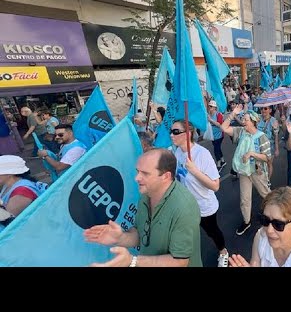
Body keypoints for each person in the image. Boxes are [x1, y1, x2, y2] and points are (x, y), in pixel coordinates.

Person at [84, 148, 203, 267]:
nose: (137, 178)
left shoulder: (184, 208)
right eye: (138, 171)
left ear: (166, 176)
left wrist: (133, 261)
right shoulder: (147, 194)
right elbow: (141, 233)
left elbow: (180, 261)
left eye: (145, 173)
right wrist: (120, 238)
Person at [171, 120, 229, 267]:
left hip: (204, 206)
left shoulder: (202, 154)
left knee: (212, 232)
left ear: (188, 134)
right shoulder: (178, 152)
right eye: (171, 132)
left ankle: (223, 252)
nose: (172, 135)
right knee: (188, 234)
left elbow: (215, 185)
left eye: (176, 132)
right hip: (186, 206)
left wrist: (195, 171)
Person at [228, 186, 291, 267]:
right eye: (265, 220)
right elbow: (255, 263)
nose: (269, 230)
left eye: (278, 224)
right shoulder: (261, 237)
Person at [221, 107, 271, 236]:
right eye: (243, 118)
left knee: (266, 195)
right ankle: (246, 221)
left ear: (253, 121)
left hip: (257, 171)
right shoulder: (241, 132)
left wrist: (252, 154)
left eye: (246, 119)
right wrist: (233, 114)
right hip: (244, 171)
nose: (243, 121)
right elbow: (224, 128)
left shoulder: (261, 137)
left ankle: (273, 216)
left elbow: (267, 157)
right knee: (244, 199)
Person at [207, 100, 226, 172]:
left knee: (216, 149)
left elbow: (219, 124)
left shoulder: (219, 114)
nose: (210, 108)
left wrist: (211, 120)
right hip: (212, 135)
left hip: (219, 135)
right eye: (209, 106)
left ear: (215, 108)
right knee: (218, 148)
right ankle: (223, 161)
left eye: (211, 106)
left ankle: (219, 164)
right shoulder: (208, 114)